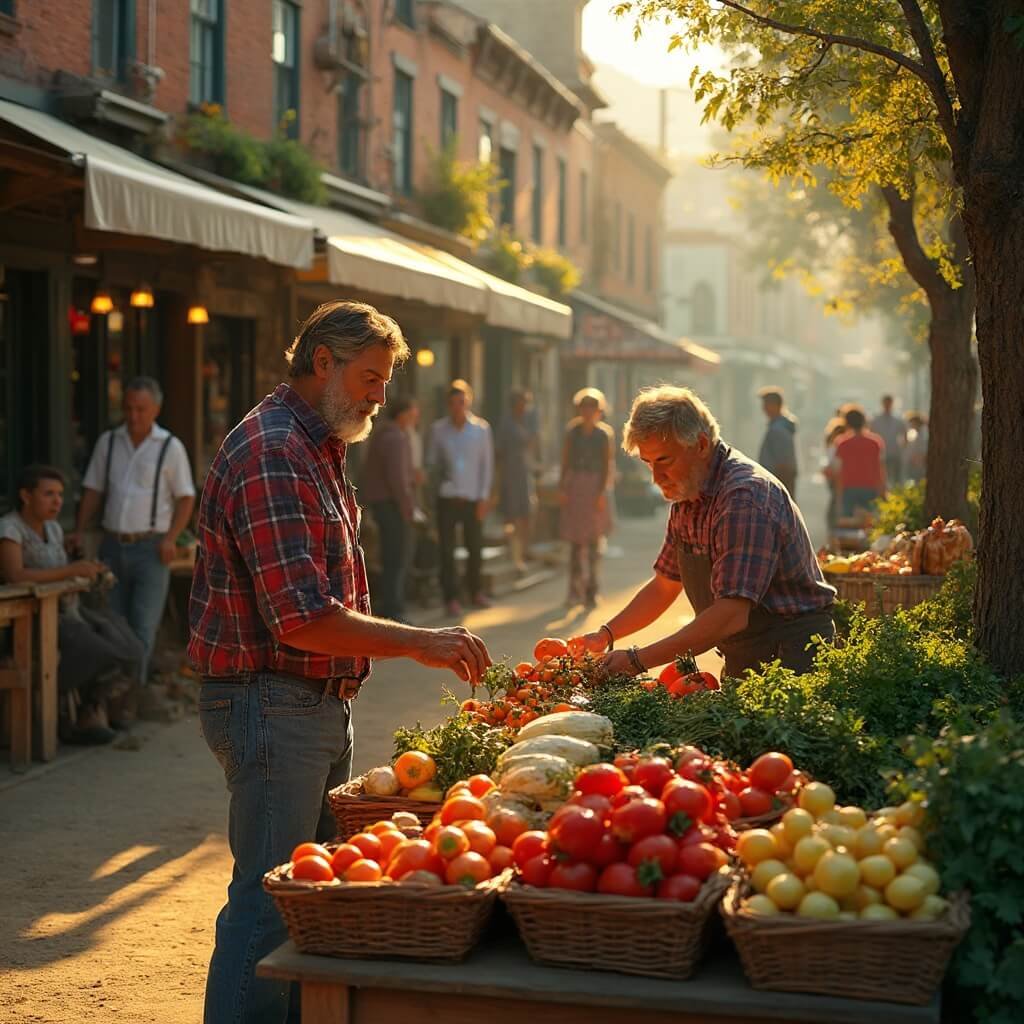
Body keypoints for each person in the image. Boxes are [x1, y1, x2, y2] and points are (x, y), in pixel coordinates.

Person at [188, 301, 490, 1024]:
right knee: (267, 900)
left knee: (306, 899)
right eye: (370, 377)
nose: (380, 397)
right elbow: (300, 615)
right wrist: (422, 641)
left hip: (307, 701)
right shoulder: (275, 451)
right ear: (322, 361)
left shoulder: (318, 441)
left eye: (384, 382)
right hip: (270, 701)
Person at [569, 386, 835, 680]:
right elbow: (665, 585)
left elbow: (731, 614)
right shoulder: (687, 496)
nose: (656, 479)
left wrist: (637, 660)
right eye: (648, 464)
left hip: (793, 657)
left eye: (665, 461)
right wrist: (606, 635)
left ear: (701, 445)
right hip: (746, 652)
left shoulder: (743, 498)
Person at [0, 465, 144, 744]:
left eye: (60, 495)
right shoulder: (10, 528)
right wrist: (70, 571)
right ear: (26, 496)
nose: (57, 502)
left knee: (129, 646)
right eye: (48, 494)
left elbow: (60, 571)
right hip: (36, 617)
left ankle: (90, 706)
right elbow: (15, 575)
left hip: (70, 610)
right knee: (95, 650)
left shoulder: (53, 529)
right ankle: (64, 710)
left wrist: (85, 570)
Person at [72, 377, 196, 694]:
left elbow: (186, 497)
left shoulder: (170, 447)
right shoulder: (109, 442)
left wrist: (171, 537)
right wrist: (78, 530)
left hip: (152, 548)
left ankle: (131, 695)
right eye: (128, 408)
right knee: (112, 622)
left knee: (142, 625)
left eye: (141, 409)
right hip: (112, 543)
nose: (133, 415)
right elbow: (93, 491)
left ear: (156, 409)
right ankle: (111, 691)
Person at [426, 379, 494, 617]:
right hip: (447, 498)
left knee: (474, 547)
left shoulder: (481, 429)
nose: (458, 406)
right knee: (447, 551)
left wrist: (484, 497)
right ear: (448, 405)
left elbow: (487, 466)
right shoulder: (438, 430)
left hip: (472, 498)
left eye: (462, 402)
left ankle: (475, 591)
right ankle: (451, 597)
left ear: (469, 402)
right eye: (453, 403)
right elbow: (431, 463)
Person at [361, 396, 418, 621]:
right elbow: (397, 479)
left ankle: (390, 606)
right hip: (392, 504)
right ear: (403, 414)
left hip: (382, 503)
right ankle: (394, 609)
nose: (416, 416)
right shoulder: (395, 438)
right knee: (396, 557)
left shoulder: (383, 434)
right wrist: (408, 507)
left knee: (390, 556)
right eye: (414, 411)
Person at [560, 388, 615, 608]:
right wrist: (563, 488)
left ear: (599, 411)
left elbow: (607, 465)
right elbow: (565, 461)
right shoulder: (572, 432)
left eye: (593, 408)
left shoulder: (604, 434)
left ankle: (591, 590)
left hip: (595, 487)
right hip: (576, 486)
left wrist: (602, 493)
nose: (588, 412)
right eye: (585, 407)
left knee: (594, 542)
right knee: (575, 543)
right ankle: (574, 591)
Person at [496, 389, 539, 574]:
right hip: (510, 473)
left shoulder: (526, 422)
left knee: (527, 513)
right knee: (512, 514)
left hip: (524, 472)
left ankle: (522, 550)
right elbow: (499, 451)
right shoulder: (507, 424)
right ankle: (513, 552)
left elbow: (532, 445)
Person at [834, 405, 886, 518]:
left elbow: (839, 471)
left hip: (849, 488)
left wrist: (838, 496)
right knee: (870, 522)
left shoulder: (842, 443)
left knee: (848, 521)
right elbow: (880, 468)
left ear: (846, 422)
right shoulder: (875, 442)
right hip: (870, 487)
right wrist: (883, 489)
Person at [757, 386, 798, 498]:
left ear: (774, 405)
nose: (763, 408)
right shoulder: (780, 426)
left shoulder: (778, 429)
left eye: (766, 404)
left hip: (778, 480)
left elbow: (783, 462)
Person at [871, 395, 907, 486]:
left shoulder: (898, 420)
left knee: (896, 480)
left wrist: (902, 448)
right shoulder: (876, 420)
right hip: (880, 454)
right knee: (882, 478)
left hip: (894, 453)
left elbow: (905, 435)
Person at [904, 412, 929, 482]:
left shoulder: (924, 433)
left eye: (912, 423)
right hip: (914, 463)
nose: (911, 425)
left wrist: (919, 458)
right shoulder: (914, 433)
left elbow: (923, 449)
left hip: (920, 463)